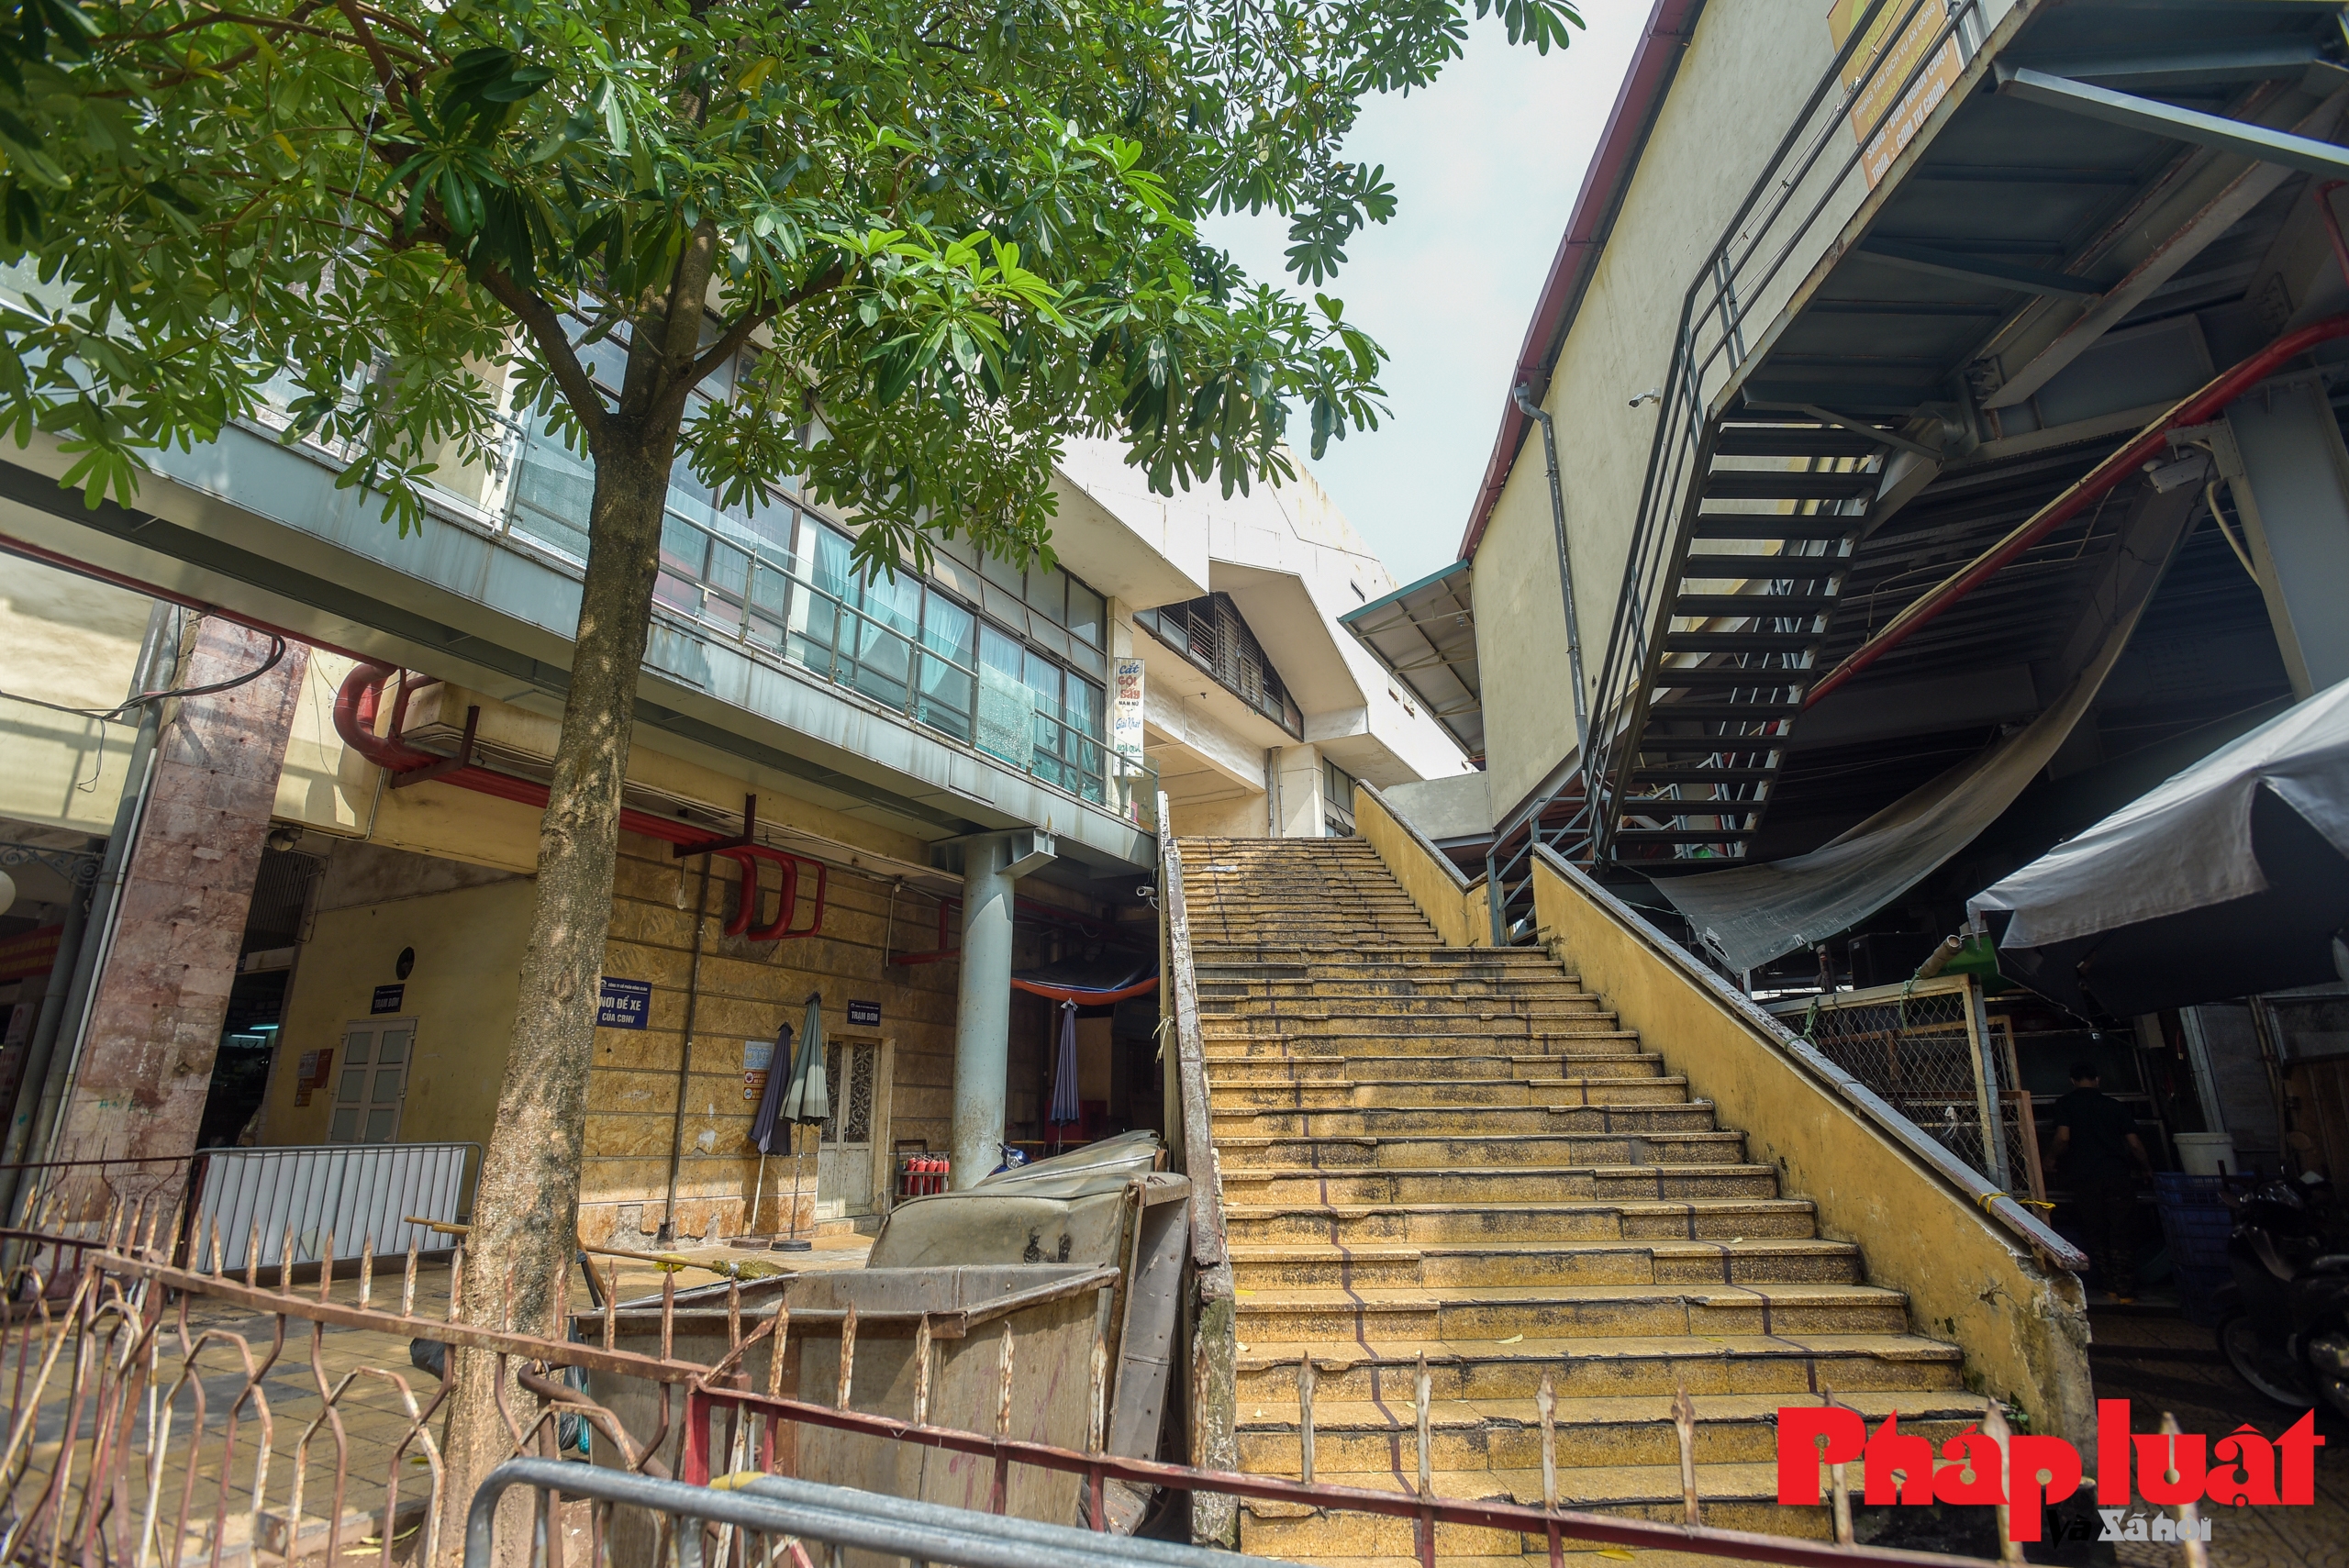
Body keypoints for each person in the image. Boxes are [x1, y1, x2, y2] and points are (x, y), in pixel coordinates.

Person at [2050, 1062, 2153, 1300]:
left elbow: (2063, 1137)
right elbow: (2134, 1144)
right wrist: (2147, 1168)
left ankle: (2108, 1286)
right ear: (2098, 1079)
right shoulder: (2114, 1106)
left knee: (2095, 1230)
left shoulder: (2066, 1104)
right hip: (2116, 1176)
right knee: (2121, 1229)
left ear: (2072, 1081)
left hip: (2084, 1177)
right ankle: (2126, 1290)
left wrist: (2051, 1158)